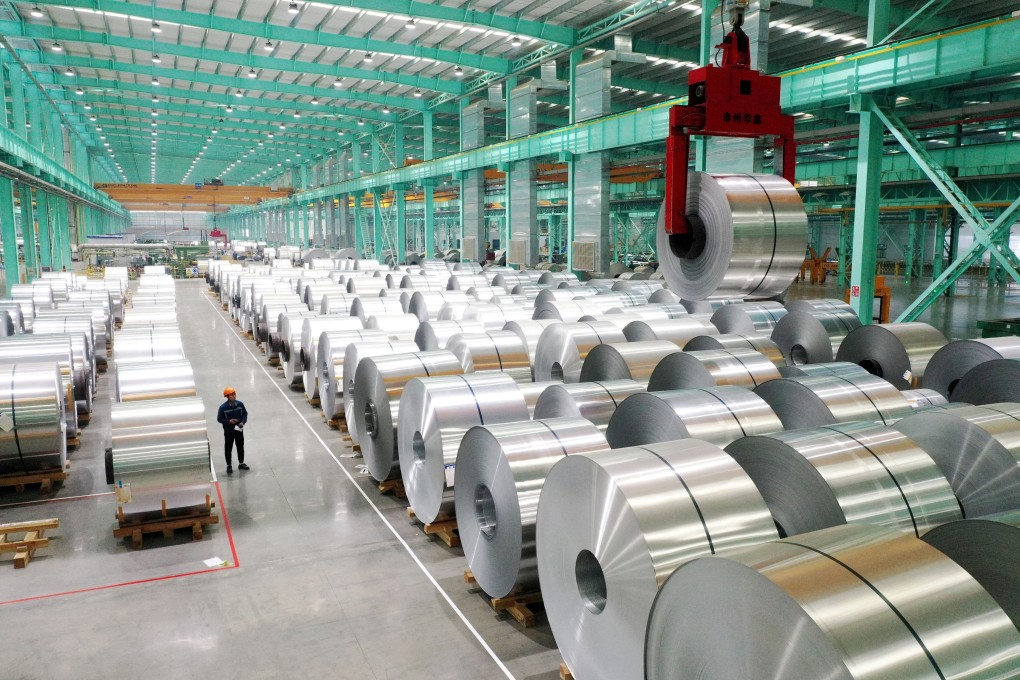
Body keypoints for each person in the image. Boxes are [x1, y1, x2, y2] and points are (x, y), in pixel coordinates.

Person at [216, 386, 249, 474]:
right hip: (229, 431)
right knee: (228, 448)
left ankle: (241, 463)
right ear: (227, 396)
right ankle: (229, 465)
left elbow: (245, 413)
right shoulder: (223, 407)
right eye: (231, 395)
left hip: (238, 430)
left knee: (240, 446)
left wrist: (243, 421)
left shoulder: (240, 404)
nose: (234, 396)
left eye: (234, 394)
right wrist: (228, 421)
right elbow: (219, 419)